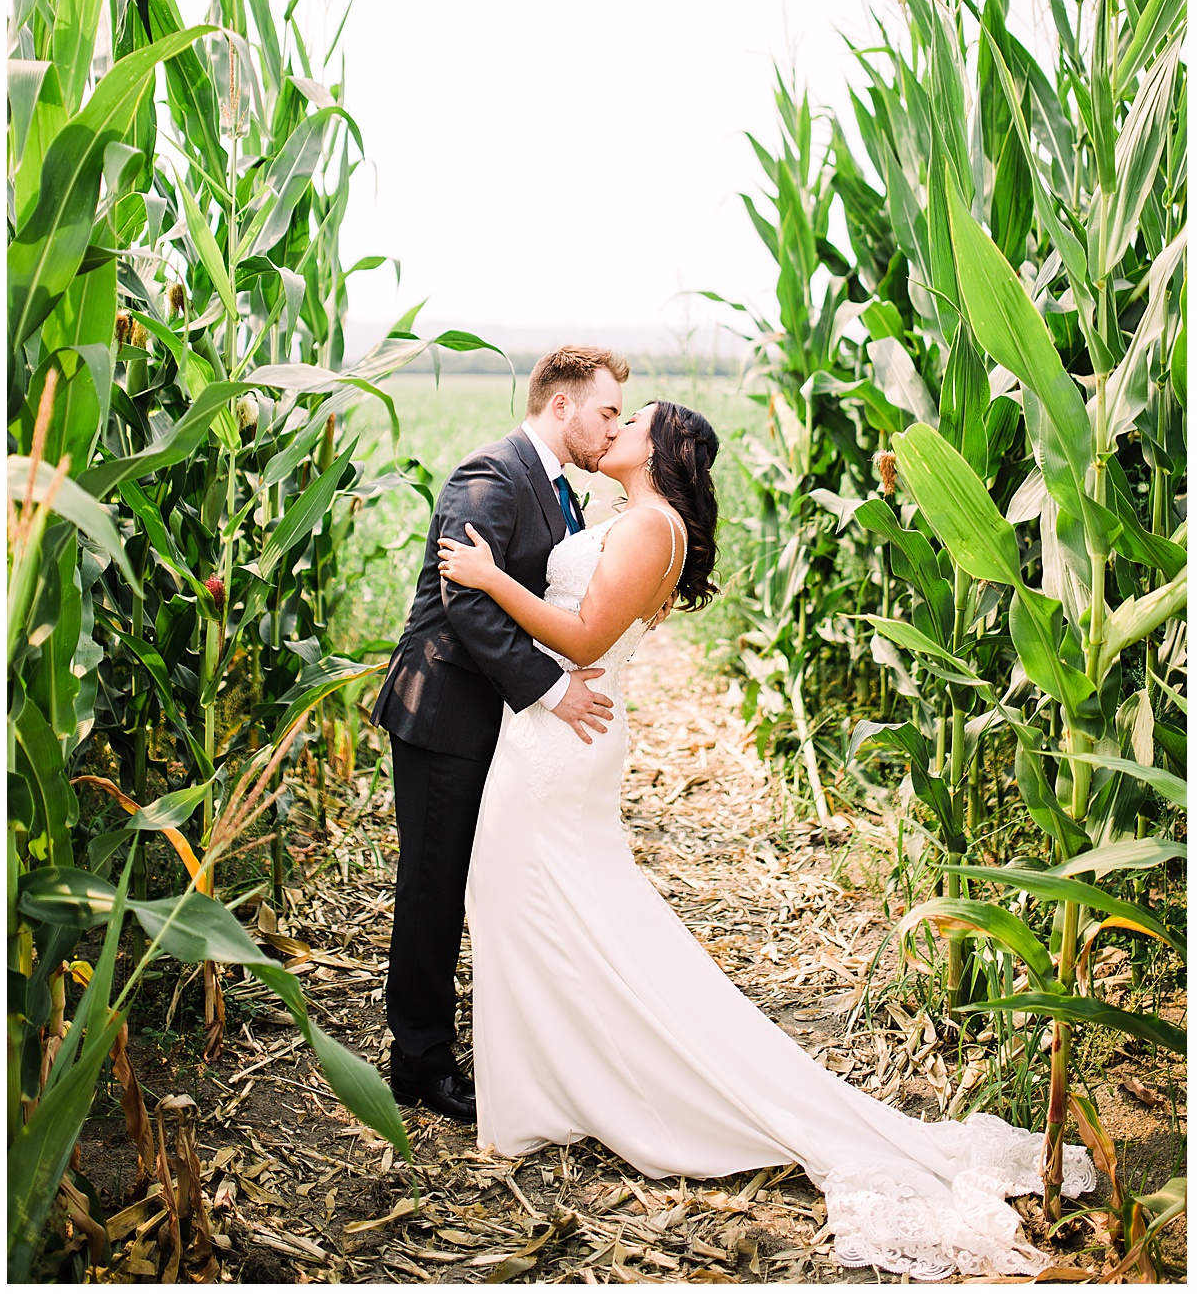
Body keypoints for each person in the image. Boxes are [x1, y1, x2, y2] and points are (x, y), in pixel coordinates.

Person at [436, 398, 1095, 1282]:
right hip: (562, 730)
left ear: (662, 450)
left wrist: (490, 582)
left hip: (564, 732)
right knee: (550, 909)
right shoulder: (632, 520)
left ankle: (563, 1091)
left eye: (634, 421)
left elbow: (586, 634)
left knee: (531, 901)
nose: (618, 425)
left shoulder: (649, 528)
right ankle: (553, 1083)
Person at [371, 345, 629, 1121]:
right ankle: (418, 1057)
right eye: (607, 411)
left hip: (498, 720)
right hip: (445, 712)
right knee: (433, 885)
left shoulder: (559, 488)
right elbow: (468, 604)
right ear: (562, 405)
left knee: (484, 880)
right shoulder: (491, 474)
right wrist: (553, 688)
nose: (613, 428)